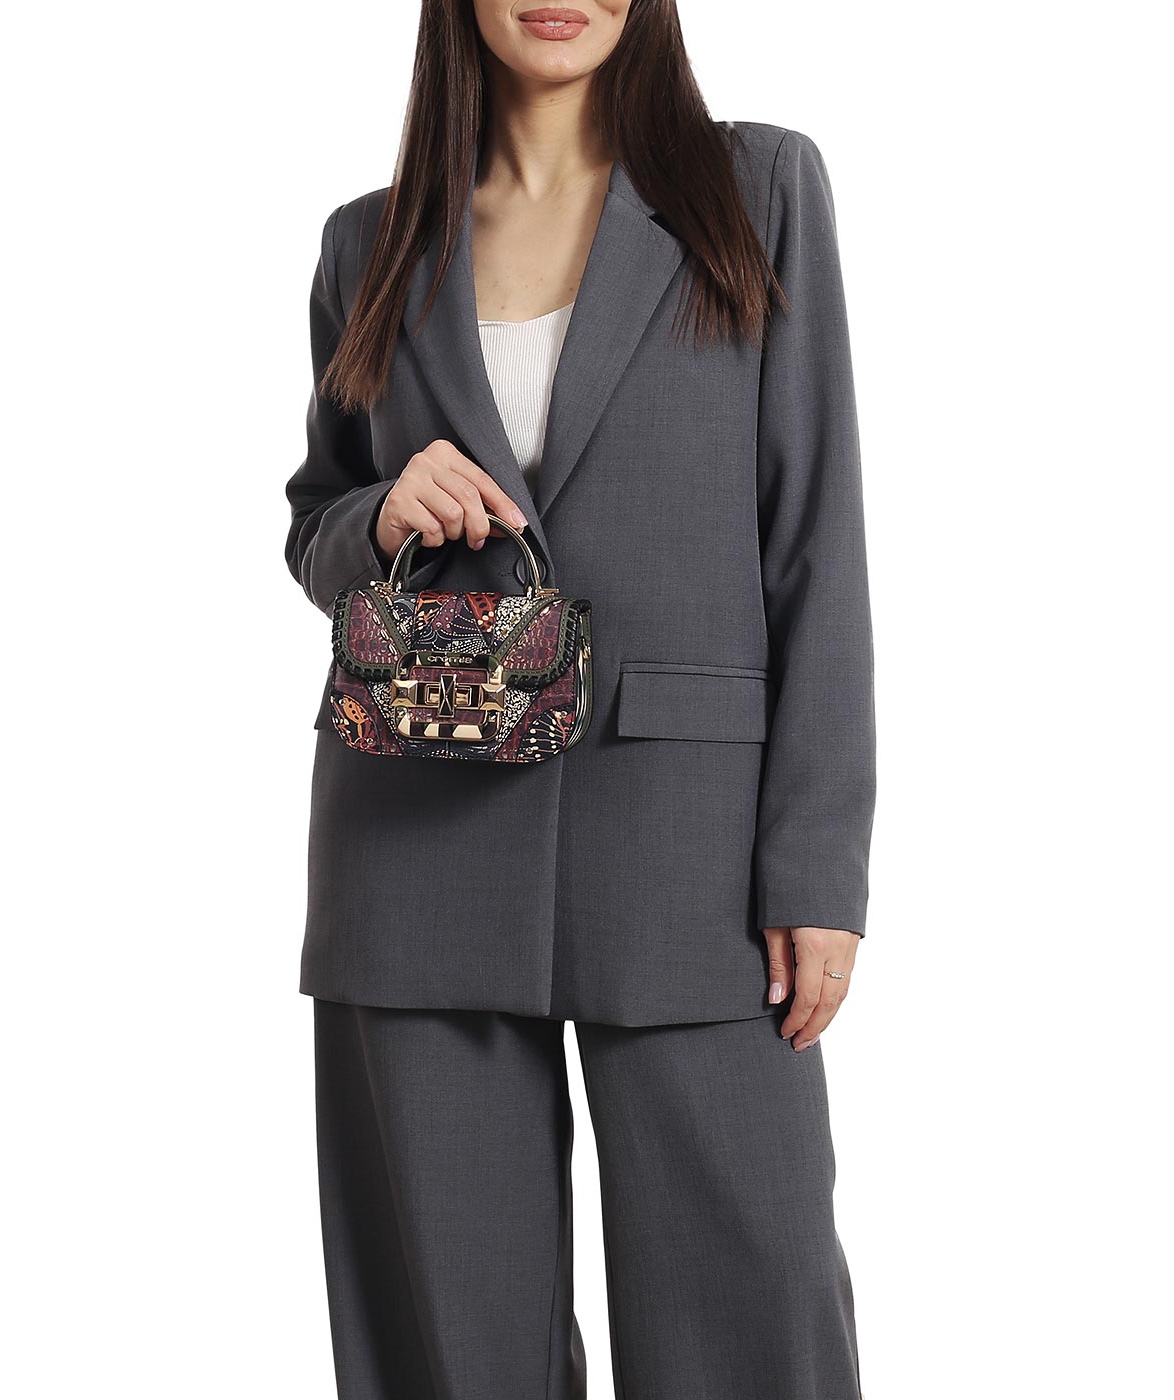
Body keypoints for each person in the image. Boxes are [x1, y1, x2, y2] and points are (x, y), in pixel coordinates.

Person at [283, 4, 876, 1397]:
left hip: (692, 849)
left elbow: (815, 537)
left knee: (754, 1317)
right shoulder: (369, 245)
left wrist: (816, 865)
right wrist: (381, 510)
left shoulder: (758, 190)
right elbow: (317, 523)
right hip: (414, 837)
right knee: (449, 1350)